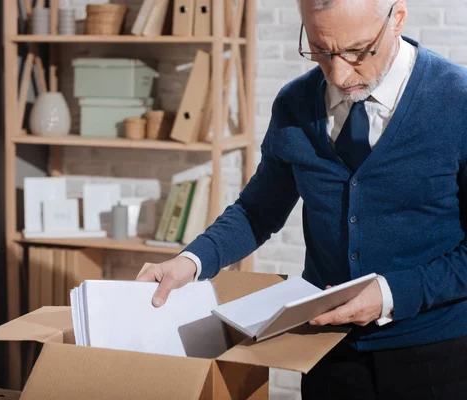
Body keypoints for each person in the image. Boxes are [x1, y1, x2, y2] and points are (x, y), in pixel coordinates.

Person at [136, 0, 467, 398]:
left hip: (438, 355)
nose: (339, 74)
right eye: (321, 51)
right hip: (327, 354)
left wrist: (391, 294)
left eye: (358, 51)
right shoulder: (294, 104)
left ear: (397, 19)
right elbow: (257, 211)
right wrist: (191, 261)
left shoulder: (457, 101)